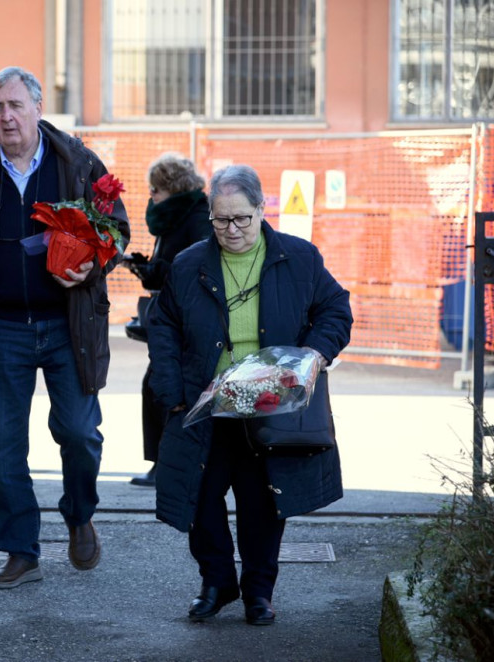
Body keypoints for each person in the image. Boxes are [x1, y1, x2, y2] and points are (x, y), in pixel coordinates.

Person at [0, 66, 130, 589]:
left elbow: (117, 229)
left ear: (38, 108)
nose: (6, 116)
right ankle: (21, 552)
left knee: (79, 433)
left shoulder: (78, 163)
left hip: (68, 325)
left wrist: (94, 266)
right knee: (2, 450)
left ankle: (79, 513)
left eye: (15, 105)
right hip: (1, 328)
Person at [146, 164, 352, 625]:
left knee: (261, 503)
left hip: (270, 406)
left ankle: (259, 592)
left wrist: (313, 356)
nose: (231, 229)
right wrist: (172, 391)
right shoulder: (189, 264)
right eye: (220, 220)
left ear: (261, 209)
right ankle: (217, 582)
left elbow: (336, 309)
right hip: (204, 404)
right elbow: (163, 327)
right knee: (199, 497)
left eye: (241, 218)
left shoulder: (299, 258)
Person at [122, 153, 211, 487]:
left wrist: (154, 270)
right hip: (171, 318)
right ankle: (164, 464)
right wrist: (147, 268)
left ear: (172, 187)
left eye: (156, 188)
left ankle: (168, 466)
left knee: (164, 387)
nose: (151, 194)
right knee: (159, 386)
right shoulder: (174, 214)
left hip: (188, 321)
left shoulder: (197, 215)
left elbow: (191, 267)